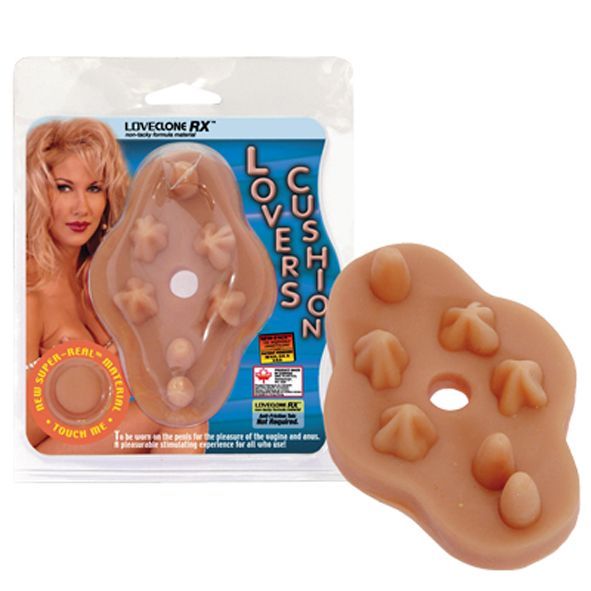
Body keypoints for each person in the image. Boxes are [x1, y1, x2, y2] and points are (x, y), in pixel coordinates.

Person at [26, 119, 207, 453]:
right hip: (36, 460)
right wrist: (103, 368)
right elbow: (17, 431)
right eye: (64, 187)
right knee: (179, 417)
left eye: (94, 188)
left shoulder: (97, 279)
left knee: (185, 414)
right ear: (37, 192)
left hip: (92, 445)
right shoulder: (26, 291)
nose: (81, 207)